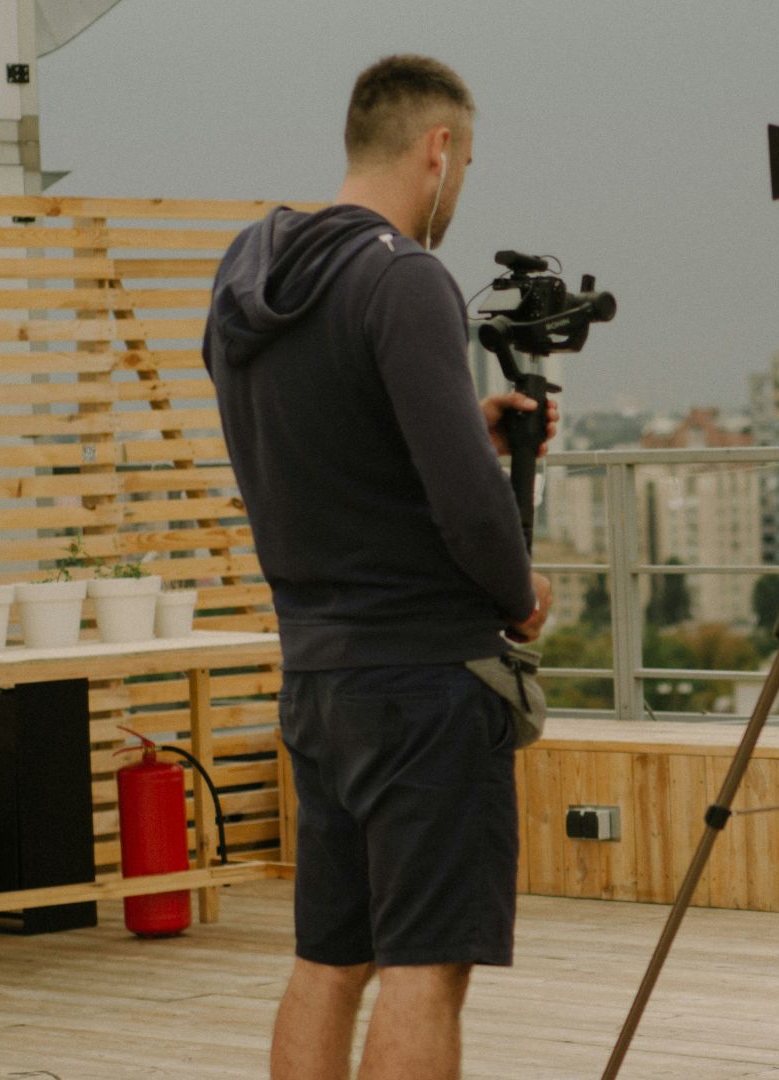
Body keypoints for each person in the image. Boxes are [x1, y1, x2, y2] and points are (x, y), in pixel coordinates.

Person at [203, 55, 554, 1080]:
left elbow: (322, 438)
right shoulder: (403, 277)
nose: (461, 186)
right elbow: (462, 500)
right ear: (436, 149)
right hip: (423, 684)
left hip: (317, 676)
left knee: (331, 958)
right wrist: (517, 591)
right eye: (467, 161)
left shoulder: (248, 272)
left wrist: (462, 426)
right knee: (425, 969)